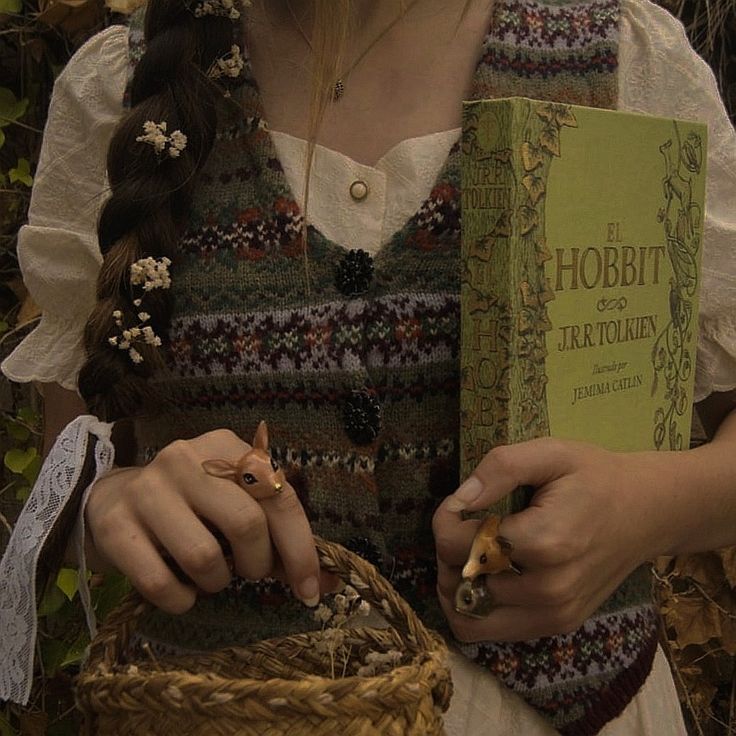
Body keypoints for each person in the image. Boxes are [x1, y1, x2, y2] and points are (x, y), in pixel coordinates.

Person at [0, 0, 735, 733]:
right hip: (232, 714)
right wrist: (116, 498)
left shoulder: (621, 61)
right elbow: (73, 479)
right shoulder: (121, 95)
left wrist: (645, 509)